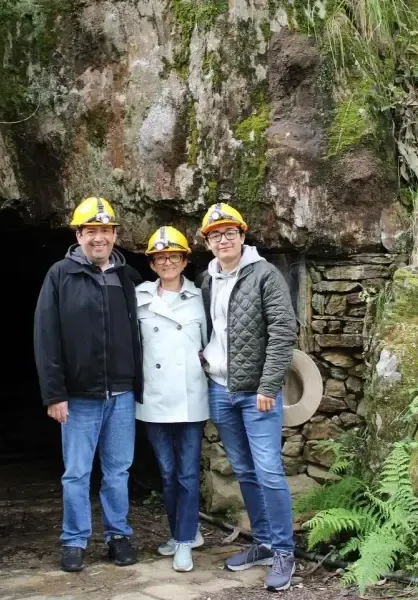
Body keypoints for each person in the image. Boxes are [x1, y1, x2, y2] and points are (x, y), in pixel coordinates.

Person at [33, 197, 142, 573]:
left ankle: (118, 536)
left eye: (106, 231)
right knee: (76, 472)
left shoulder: (126, 276)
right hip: (78, 397)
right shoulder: (60, 275)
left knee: (118, 471)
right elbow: (46, 337)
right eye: (91, 231)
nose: (99, 238)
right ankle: (75, 540)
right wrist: (54, 393)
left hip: (123, 395)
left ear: (115, 235)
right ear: (78, 235)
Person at [198, 202, 298, 592]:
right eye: (215, 235)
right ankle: (262, 543)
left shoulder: (264, 275)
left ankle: (285, 551)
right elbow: (213, 330)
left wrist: (268, 385)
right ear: (208, 242)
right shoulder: (208, 280)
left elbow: (282, 331)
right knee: (244, 472)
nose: (223, 240)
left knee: (269, 471)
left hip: (256, 394)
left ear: (242, 236)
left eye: (230, 233)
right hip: (220, 390)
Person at [135, 226, 208, 573]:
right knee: (166, 473)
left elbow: (211, 345)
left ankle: (185, 540)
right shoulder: (139, 298)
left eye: (174, 256)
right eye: (161, 257)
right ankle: (180, 532)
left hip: (191, 397)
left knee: (187, 474)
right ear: (152, 263)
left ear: (184, 261)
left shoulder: (199, 298)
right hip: (154, 399)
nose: (167, 262)